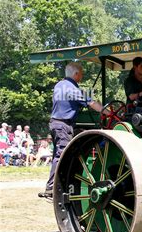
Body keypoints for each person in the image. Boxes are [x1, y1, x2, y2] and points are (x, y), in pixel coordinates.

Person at [39, 62, 109, 198]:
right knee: (61, 155)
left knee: (57, 156)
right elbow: (91, 103)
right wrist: (108, 113)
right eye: (81, 73)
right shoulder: (72, 89)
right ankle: (52, 187)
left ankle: (57, 185)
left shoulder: (59, 85)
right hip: (64, 125)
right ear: (76, 74)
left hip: (55, 124)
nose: (82, 76)